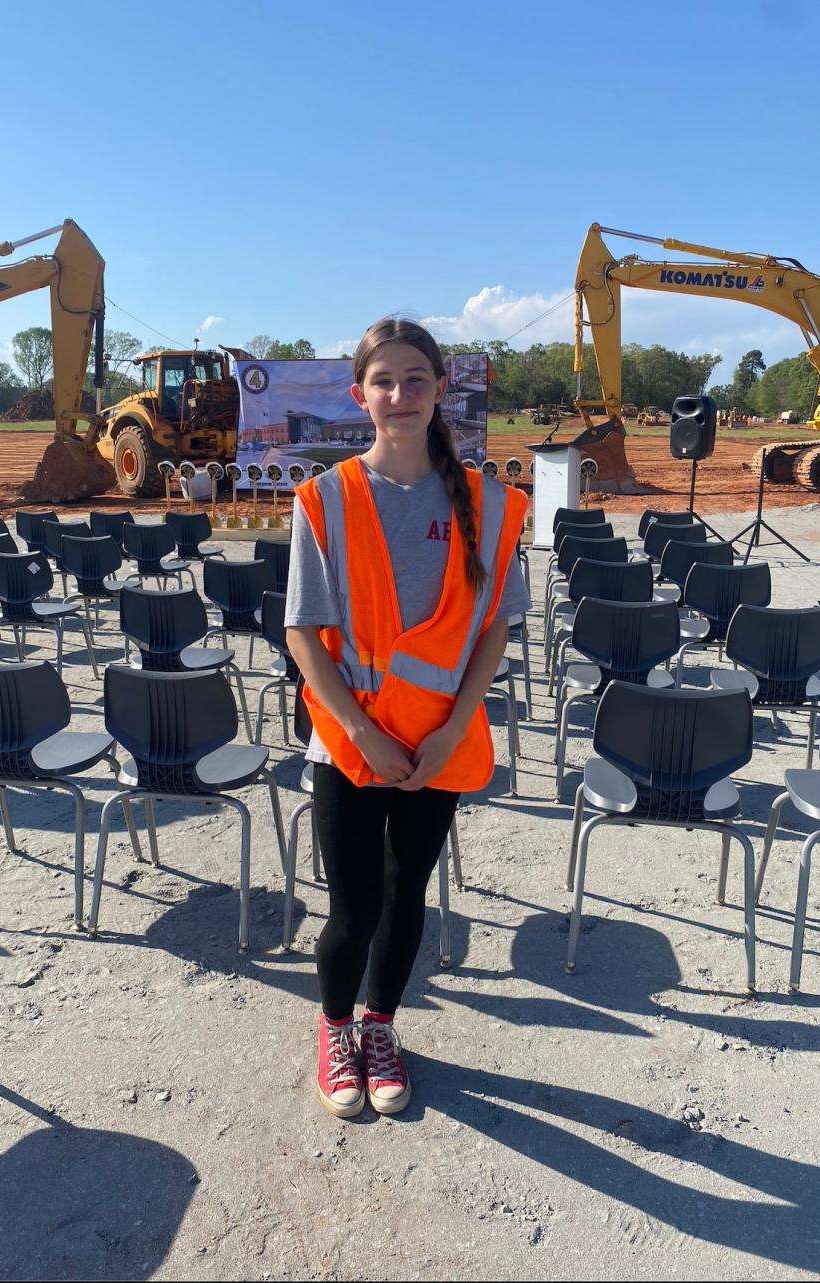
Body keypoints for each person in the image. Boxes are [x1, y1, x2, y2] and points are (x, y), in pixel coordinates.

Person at [285, 318, 529, 1117]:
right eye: (384, 381)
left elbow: (494, 627)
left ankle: (381, 1024)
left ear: (438, 390)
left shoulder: (487, 506)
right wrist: (361, 732)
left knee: (405, 896)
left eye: (415, 379)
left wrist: (455, 727)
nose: (399, 395)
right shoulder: (324, 498)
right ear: (361, 395)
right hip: (353, 744)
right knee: (351, 912)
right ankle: (334, 1028)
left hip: (437, 745)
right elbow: (301, 631)